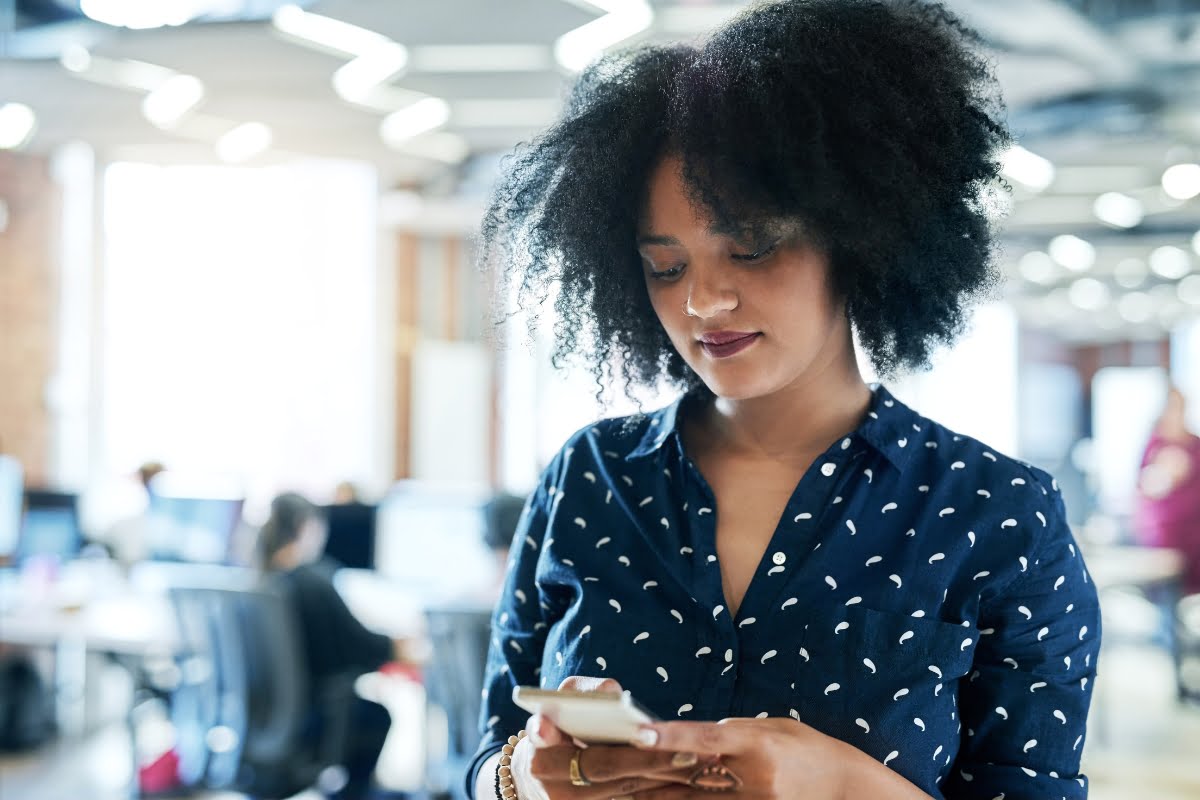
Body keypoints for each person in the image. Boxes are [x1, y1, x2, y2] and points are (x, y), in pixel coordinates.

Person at [468, 2, 1101, 799]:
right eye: (665, 268)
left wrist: (845, 786)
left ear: (860, 234)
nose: (702, 302)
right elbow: (486, 748)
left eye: (752, 248)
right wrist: (518, 776)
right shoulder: (591, 478)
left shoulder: (996, 515)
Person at [258, 492, 396, 800]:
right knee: (377, 717)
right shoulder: (312, 581)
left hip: (268, 717)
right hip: (313, 720)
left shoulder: (262, 579)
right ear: (305, 526)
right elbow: (360, 646)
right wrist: (399, 645)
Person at [1136, 386, 1200, 594]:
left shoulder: (1195, 444)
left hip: (1192, 534)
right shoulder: (1154, 442)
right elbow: (1141, 485)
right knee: (1163, 591)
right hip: (1161, 534)